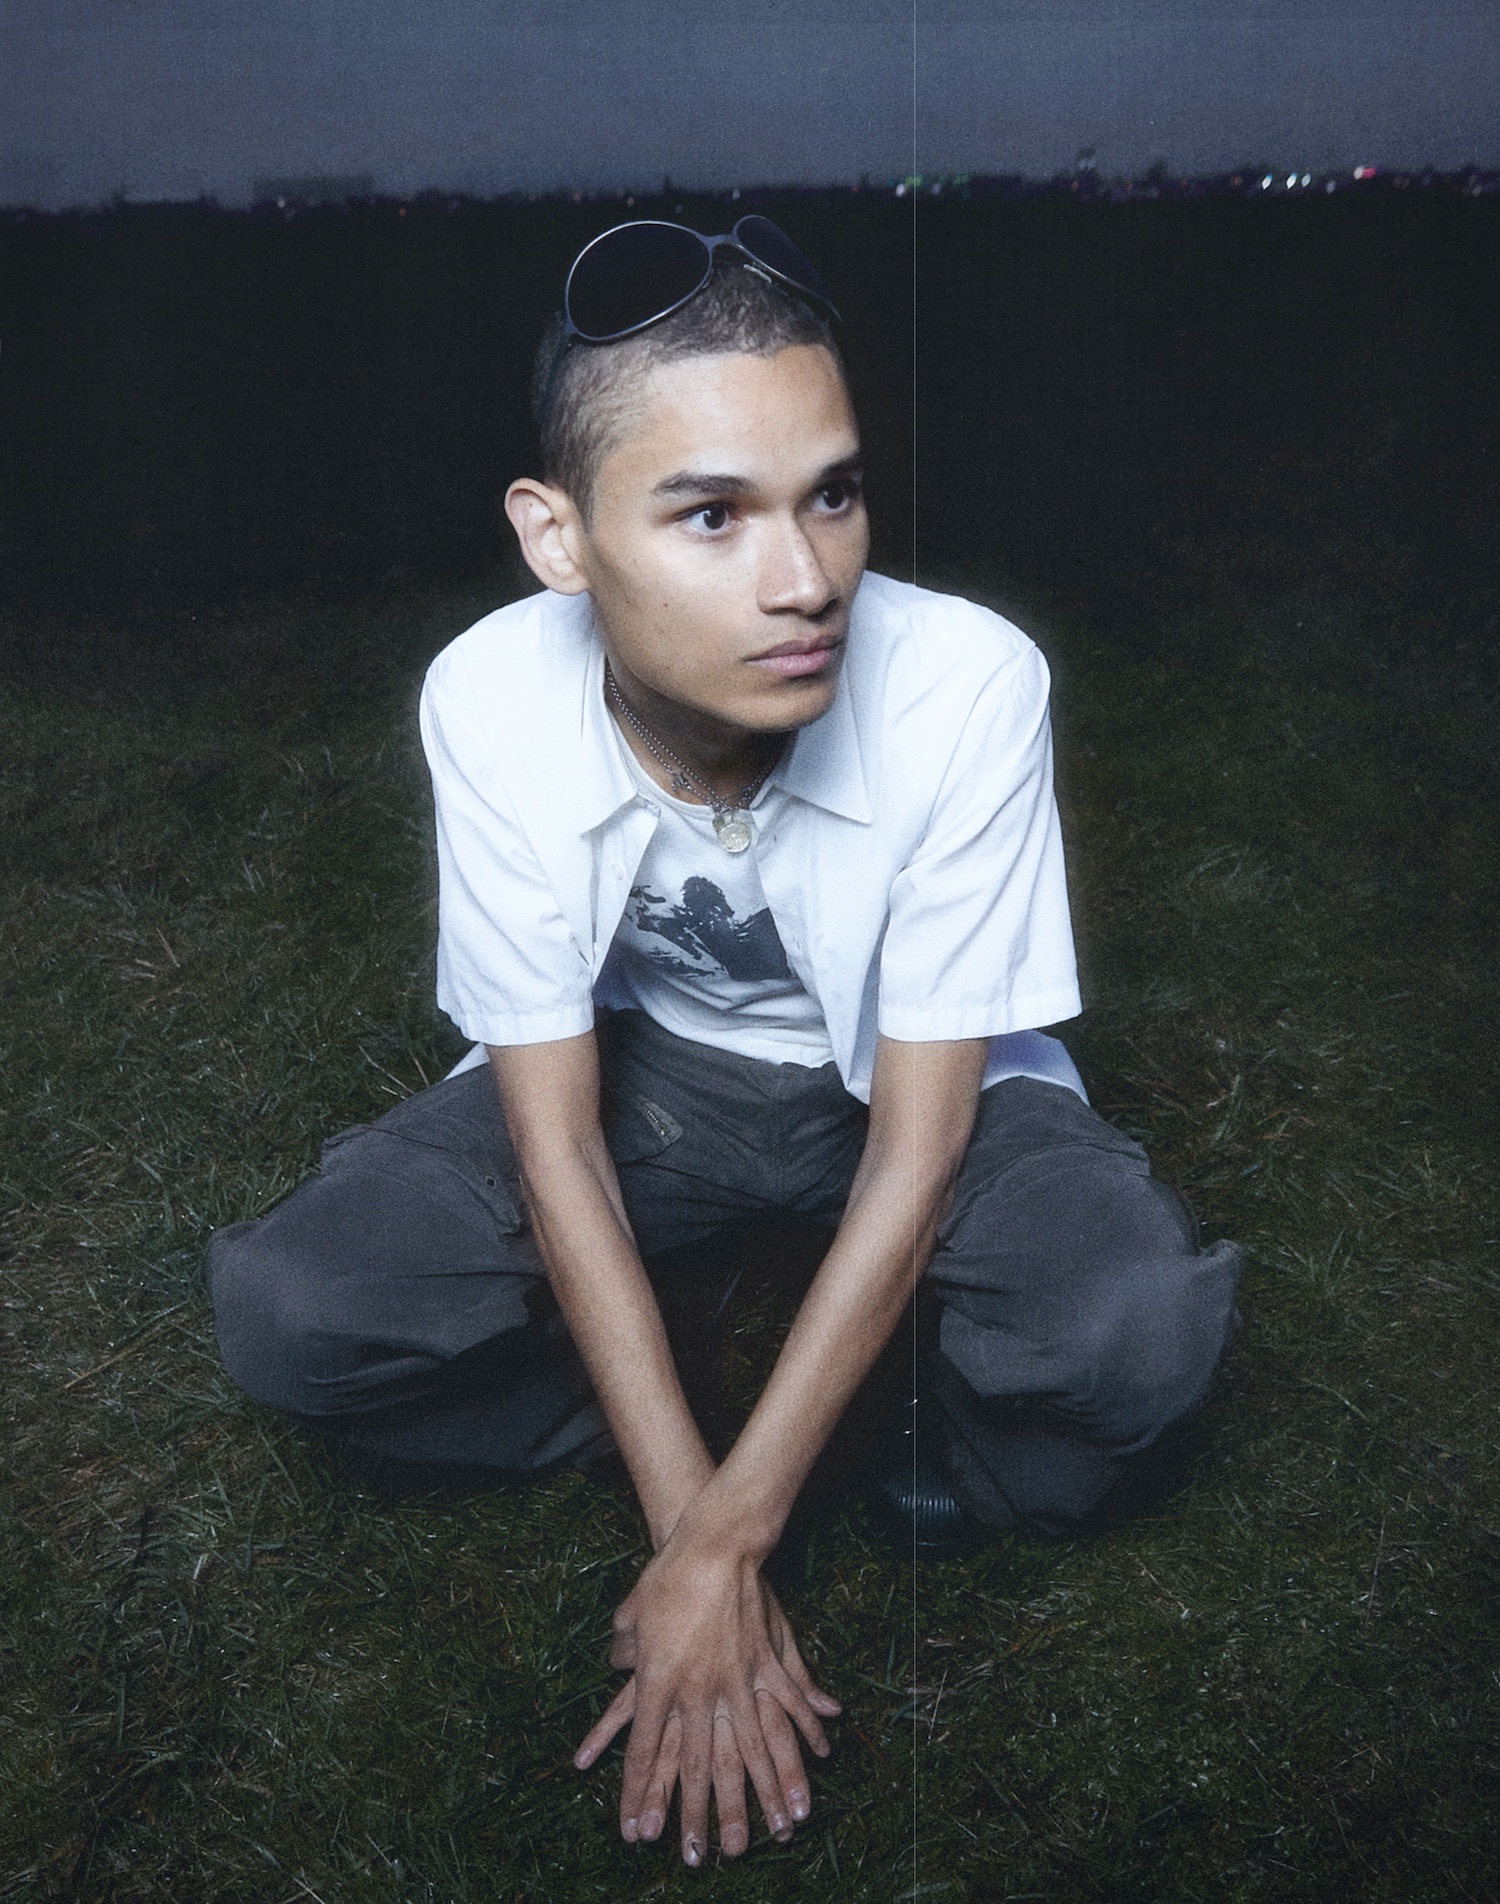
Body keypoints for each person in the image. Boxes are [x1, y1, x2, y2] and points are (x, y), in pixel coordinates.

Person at [209, 215, 1243, 1869]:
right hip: (657, 1088)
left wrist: (724, 1546)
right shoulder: (488, 695)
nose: (806, 579)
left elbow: (921, 1147)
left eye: (832, 494)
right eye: (712, 514)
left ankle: (875, 1437)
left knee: (1134, 1347)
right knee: (294, 1316)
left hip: (921, 1090)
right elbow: (555, 1139)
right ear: (557, 537)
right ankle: (723, 1386)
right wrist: (692, 1516)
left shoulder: (967, 682)